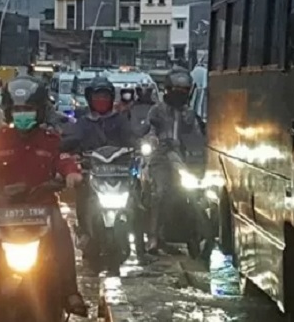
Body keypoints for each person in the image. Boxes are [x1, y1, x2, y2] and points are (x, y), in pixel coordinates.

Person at [0, 76, 87, 322]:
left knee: (62, 232)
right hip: (7, 210)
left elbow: (64, 159)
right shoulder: (0, 140)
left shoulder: (50, 139)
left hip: (44, 207)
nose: (23, 115)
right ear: (9, 111)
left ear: (40, 111)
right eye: (18, 110)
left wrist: (71, 173)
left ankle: (70, 292)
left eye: (28, 109)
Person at [62, 75, 135, 247]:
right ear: (90, 99)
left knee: (137, 197)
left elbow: (132, 139)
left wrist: (139, 148)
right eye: (97, 97)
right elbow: (71, 139)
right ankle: (85, 231)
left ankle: (142, 242)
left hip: (119, 173)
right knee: (83, 193)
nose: (101, 100)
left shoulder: (120, 120)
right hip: (91, 173)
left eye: (105, 97)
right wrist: (69, 149)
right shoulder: (83, 122)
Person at [143, 67, 204, 253]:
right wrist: (152, 139)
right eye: (175, 89)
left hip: (184, 161)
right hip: (160, 159)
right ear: (167, 90)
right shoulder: (156, 111)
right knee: (159, 193)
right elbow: (149, 130)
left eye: (184, 90)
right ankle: (153, 237)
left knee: (198, 193)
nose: (179, 94)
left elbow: (198, 136)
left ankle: (197, 234)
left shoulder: (190, 114)